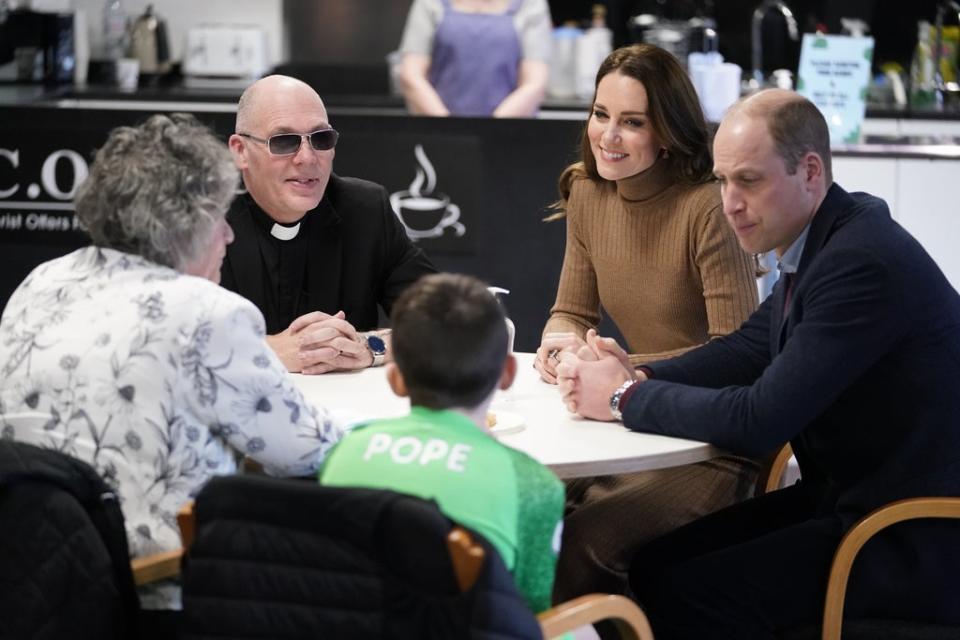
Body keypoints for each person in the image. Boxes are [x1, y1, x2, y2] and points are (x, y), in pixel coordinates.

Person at [557, 89, 960, 637]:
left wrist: (622, 398)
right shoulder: (824, 238)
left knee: (686, 591)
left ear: (810, 171)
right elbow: (748, 348)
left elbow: (760, 419)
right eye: (722, 180)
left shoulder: (858, 262)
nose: (729, 202)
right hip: (850, 498)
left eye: (749, 180)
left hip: (909, 534)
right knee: (653, 566)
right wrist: (640, 374)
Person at [0, 114, 346, 610]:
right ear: (184, 225)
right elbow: (307, 451)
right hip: (159, 586)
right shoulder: (205, 313)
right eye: (218, 218)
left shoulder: (43, 280)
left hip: (36, 581)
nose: (228, 235)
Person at [533, 43, 760, 602]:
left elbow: (738, 352)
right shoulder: (586, 192)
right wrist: (560, 348)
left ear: (667, 132)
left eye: (632, 122)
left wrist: (619, 371)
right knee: (531, 507)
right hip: (628, 417)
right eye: (600, 114)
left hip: (711, 439)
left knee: (587, 537)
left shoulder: (709, 206)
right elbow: (571, 311)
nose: (608, 136)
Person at [320, 273, 564, 613]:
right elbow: (533, 611)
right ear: (508, 373)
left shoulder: (343, 454)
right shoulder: (532, 484)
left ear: (396, 380)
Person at [222, 75, 436, 375]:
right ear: (241, 151)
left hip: (347, 411)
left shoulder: (365, 210)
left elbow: (443, 320)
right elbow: (160, 337)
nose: (307, 158)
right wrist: (263, 351)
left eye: (320, 139)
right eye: (284, 142)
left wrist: (372, 347)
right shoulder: (203, 221)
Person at [397, 0, 552, 117]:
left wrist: (490, 129)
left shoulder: (531, 4)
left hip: (510, 134)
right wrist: (447, 126)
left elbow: (535, 83)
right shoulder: (430, 3)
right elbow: (411, 75)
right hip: (438, 132)